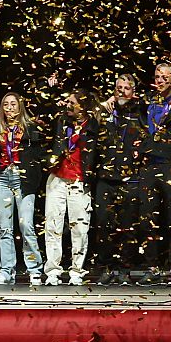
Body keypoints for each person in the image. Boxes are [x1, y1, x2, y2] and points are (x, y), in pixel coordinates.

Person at [136, 64, 171, 284]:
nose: (159, 81)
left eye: (164, 77)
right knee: (148, 218)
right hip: (149, 164)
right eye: (157, 77)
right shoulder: (146, 101)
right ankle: (152, 266)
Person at [92, 75, 146, 286]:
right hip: (106, 177)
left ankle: (124, 268)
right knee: (104, 225)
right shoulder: (104, 112)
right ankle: (106, 267)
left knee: (128, 226)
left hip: (130, 178)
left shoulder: (139, 111)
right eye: (118, 88)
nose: (122, 92)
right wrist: (101, 108)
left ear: (133, 91)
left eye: (126, 88)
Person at [43, 89, 99, 285]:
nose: (68, 105)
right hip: (57, 178)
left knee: (80, 228)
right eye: (67, 102)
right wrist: (49, 88)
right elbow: (42, 112)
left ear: (83, 106)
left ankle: (77, 270)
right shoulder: (60, 121)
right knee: (53, 226)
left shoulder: (93, 126)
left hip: (79, 181)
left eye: (72, 102)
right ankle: (52, 271)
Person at [0, 93, 44, 286]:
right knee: (5, 228)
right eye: (6, 104)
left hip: (24, 180)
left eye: (13, 104)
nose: (10, 108)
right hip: (4, 178)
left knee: (26, 225)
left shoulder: (30, 128)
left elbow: (38, 156)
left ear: (20, 107)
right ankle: (7, 270)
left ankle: (34, 270)